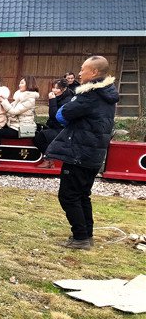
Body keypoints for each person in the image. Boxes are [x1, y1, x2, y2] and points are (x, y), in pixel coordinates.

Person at [45, 56, 119, 249]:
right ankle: (86, 234)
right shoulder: (107, 94)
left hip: (80, 152)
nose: (79, 73)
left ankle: (80, 237)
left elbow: (62, 115)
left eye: (82, 69)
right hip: (93, 153)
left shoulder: (90, 94)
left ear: (94, 72)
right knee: (82, 194)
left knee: (68, 195)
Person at [0, 76, 39, 167]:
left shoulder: (29, 99)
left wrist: (2, 101)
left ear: (28, 84)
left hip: (23, 129)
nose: (19, 85)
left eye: (22, 83)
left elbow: (13, 111)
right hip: (16, 125)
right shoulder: (20, 97)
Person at [34, 78, 71, 169]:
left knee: (39, 137)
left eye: (57, 88)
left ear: (64, 89)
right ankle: (48, 159)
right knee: (37, 130)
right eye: (53, 88)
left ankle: (48, 160)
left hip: (63, 129)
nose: (54, 90)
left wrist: (52, 100)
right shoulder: (58, 97)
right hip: (53, 126)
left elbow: (54, 115)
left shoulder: (67, 100)